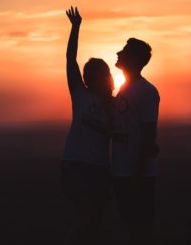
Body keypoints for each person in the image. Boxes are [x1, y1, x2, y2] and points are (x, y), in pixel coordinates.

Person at [61, 6, 114, 245]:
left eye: (94, 72)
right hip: (76, 165)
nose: (87, 76)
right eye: (86, 73)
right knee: (85, 217)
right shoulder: (79, 94)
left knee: (96, 221)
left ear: (105, 76)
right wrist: (75, 28)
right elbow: (70, 59)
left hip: (100, 168)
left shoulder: (114, 105)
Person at [111, 38, 160, 245]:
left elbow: (149, 135)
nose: (118, 53)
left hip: (137, 175)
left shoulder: (147, 91)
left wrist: (136, 175)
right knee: (129, 227)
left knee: (139, 229)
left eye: (124, 51)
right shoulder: (124, 89)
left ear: (134, 59)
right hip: (121, 172)